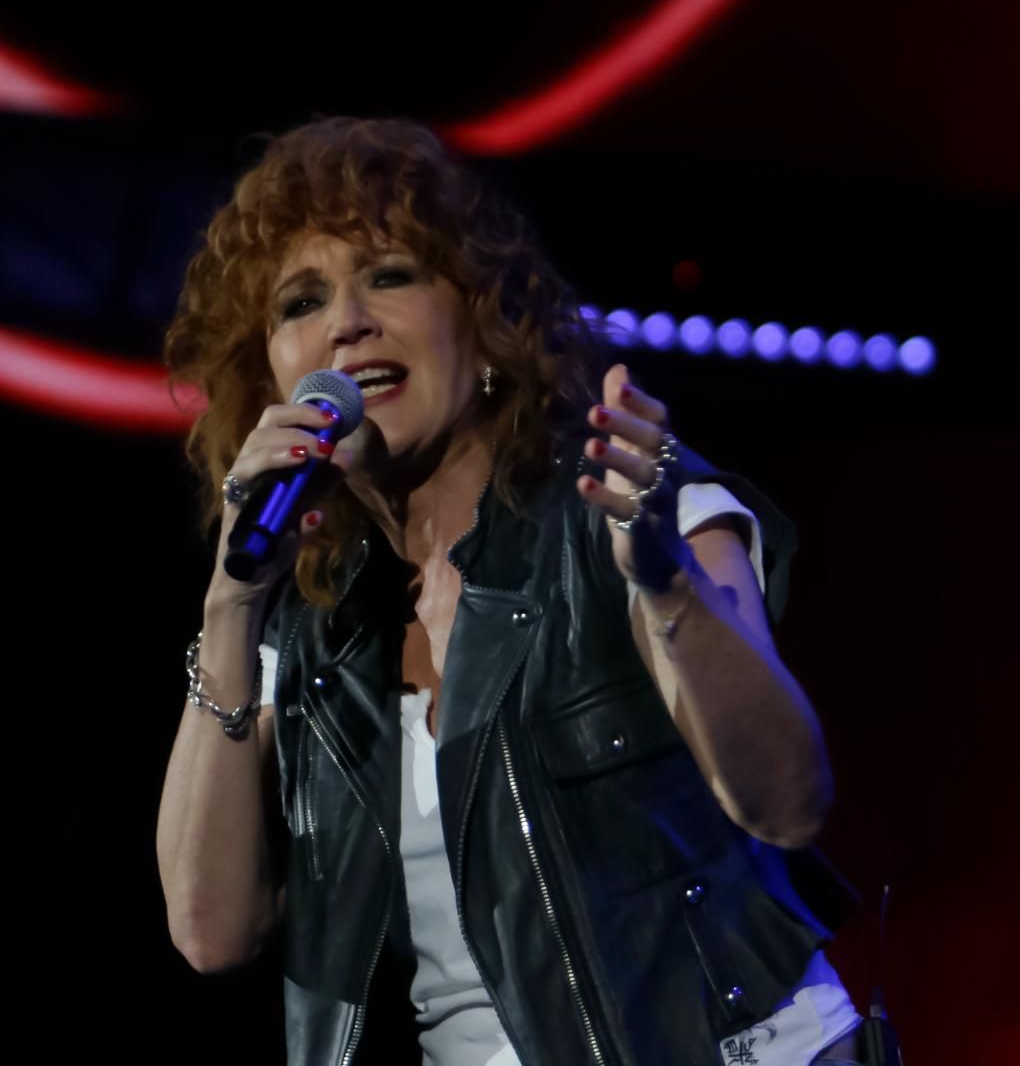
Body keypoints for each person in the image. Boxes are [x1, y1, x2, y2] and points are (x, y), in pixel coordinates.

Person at [156, 117, 865, 1064]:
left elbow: (788, 804)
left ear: (484, 322)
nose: (346, 322)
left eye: (391, 275)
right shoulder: (316, 632)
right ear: (271, 377)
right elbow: (210, 930)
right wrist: (231, 606)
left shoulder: (626, 513)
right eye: (302, 302)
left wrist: (667, 588)